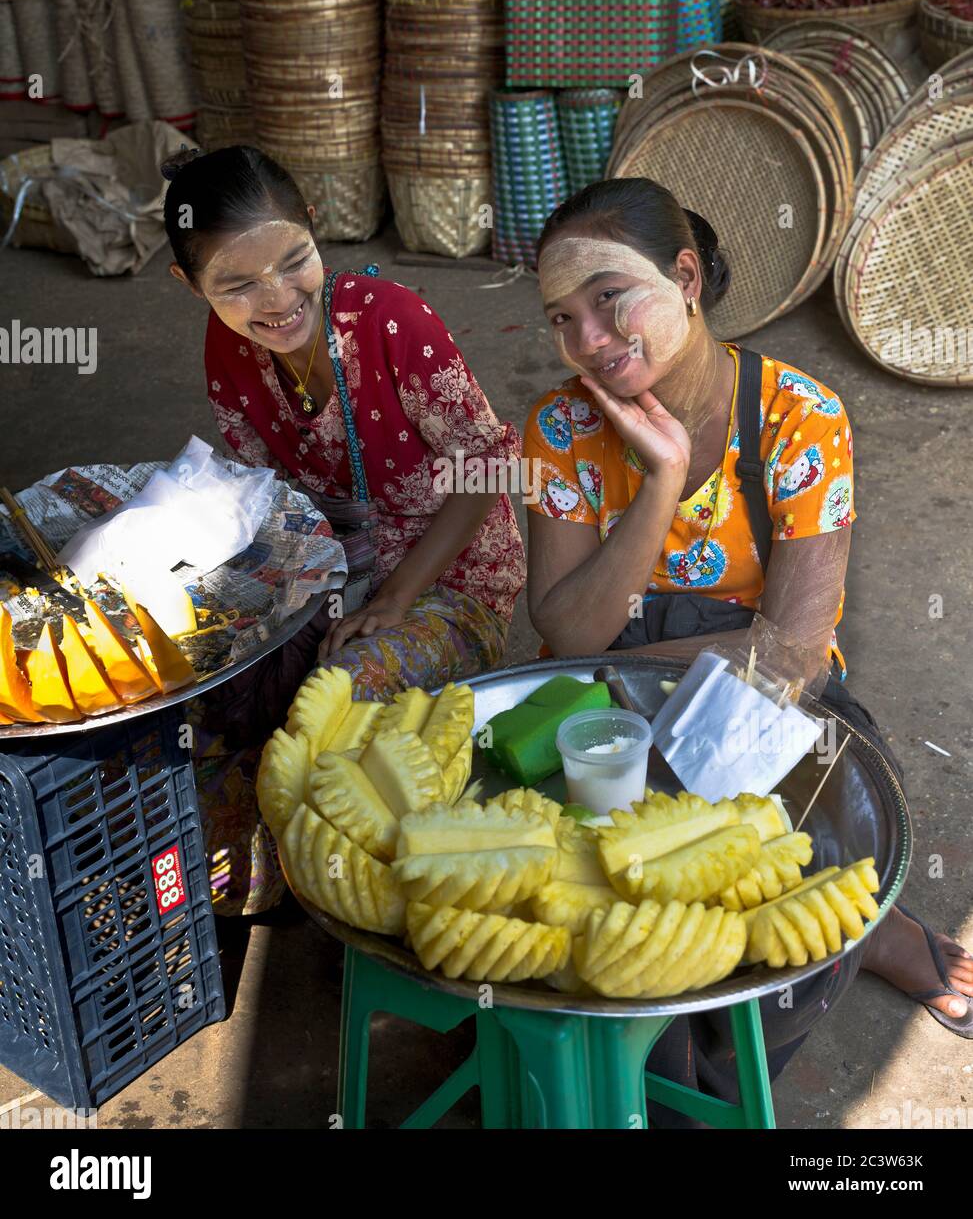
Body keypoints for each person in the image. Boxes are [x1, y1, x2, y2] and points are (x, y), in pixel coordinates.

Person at [523, 178, 973, 1118]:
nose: (590, 341)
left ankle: (840, 959)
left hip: (770, 697)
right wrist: (659, 483)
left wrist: (634, 670)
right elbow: (564, 633)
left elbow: (794, 651)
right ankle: (666, 1068)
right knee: (596, 893)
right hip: (611, 684)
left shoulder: (796, 417)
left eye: (611, 297)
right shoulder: (561, 428)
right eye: (563, 319)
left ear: (685, 276)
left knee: (775, 874)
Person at [161, 144, 526, 912]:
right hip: (327, 568)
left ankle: (326, 878)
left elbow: (487, 469)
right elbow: (270, 497)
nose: (277, 297)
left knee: (339, 690)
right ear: (187, 287)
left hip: (450, 581)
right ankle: (234, 868)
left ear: (316, 230)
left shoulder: (393, 323)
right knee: (198, 690)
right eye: (236, 284)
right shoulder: (227, 349)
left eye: (294, 261)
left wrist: (392, 600)